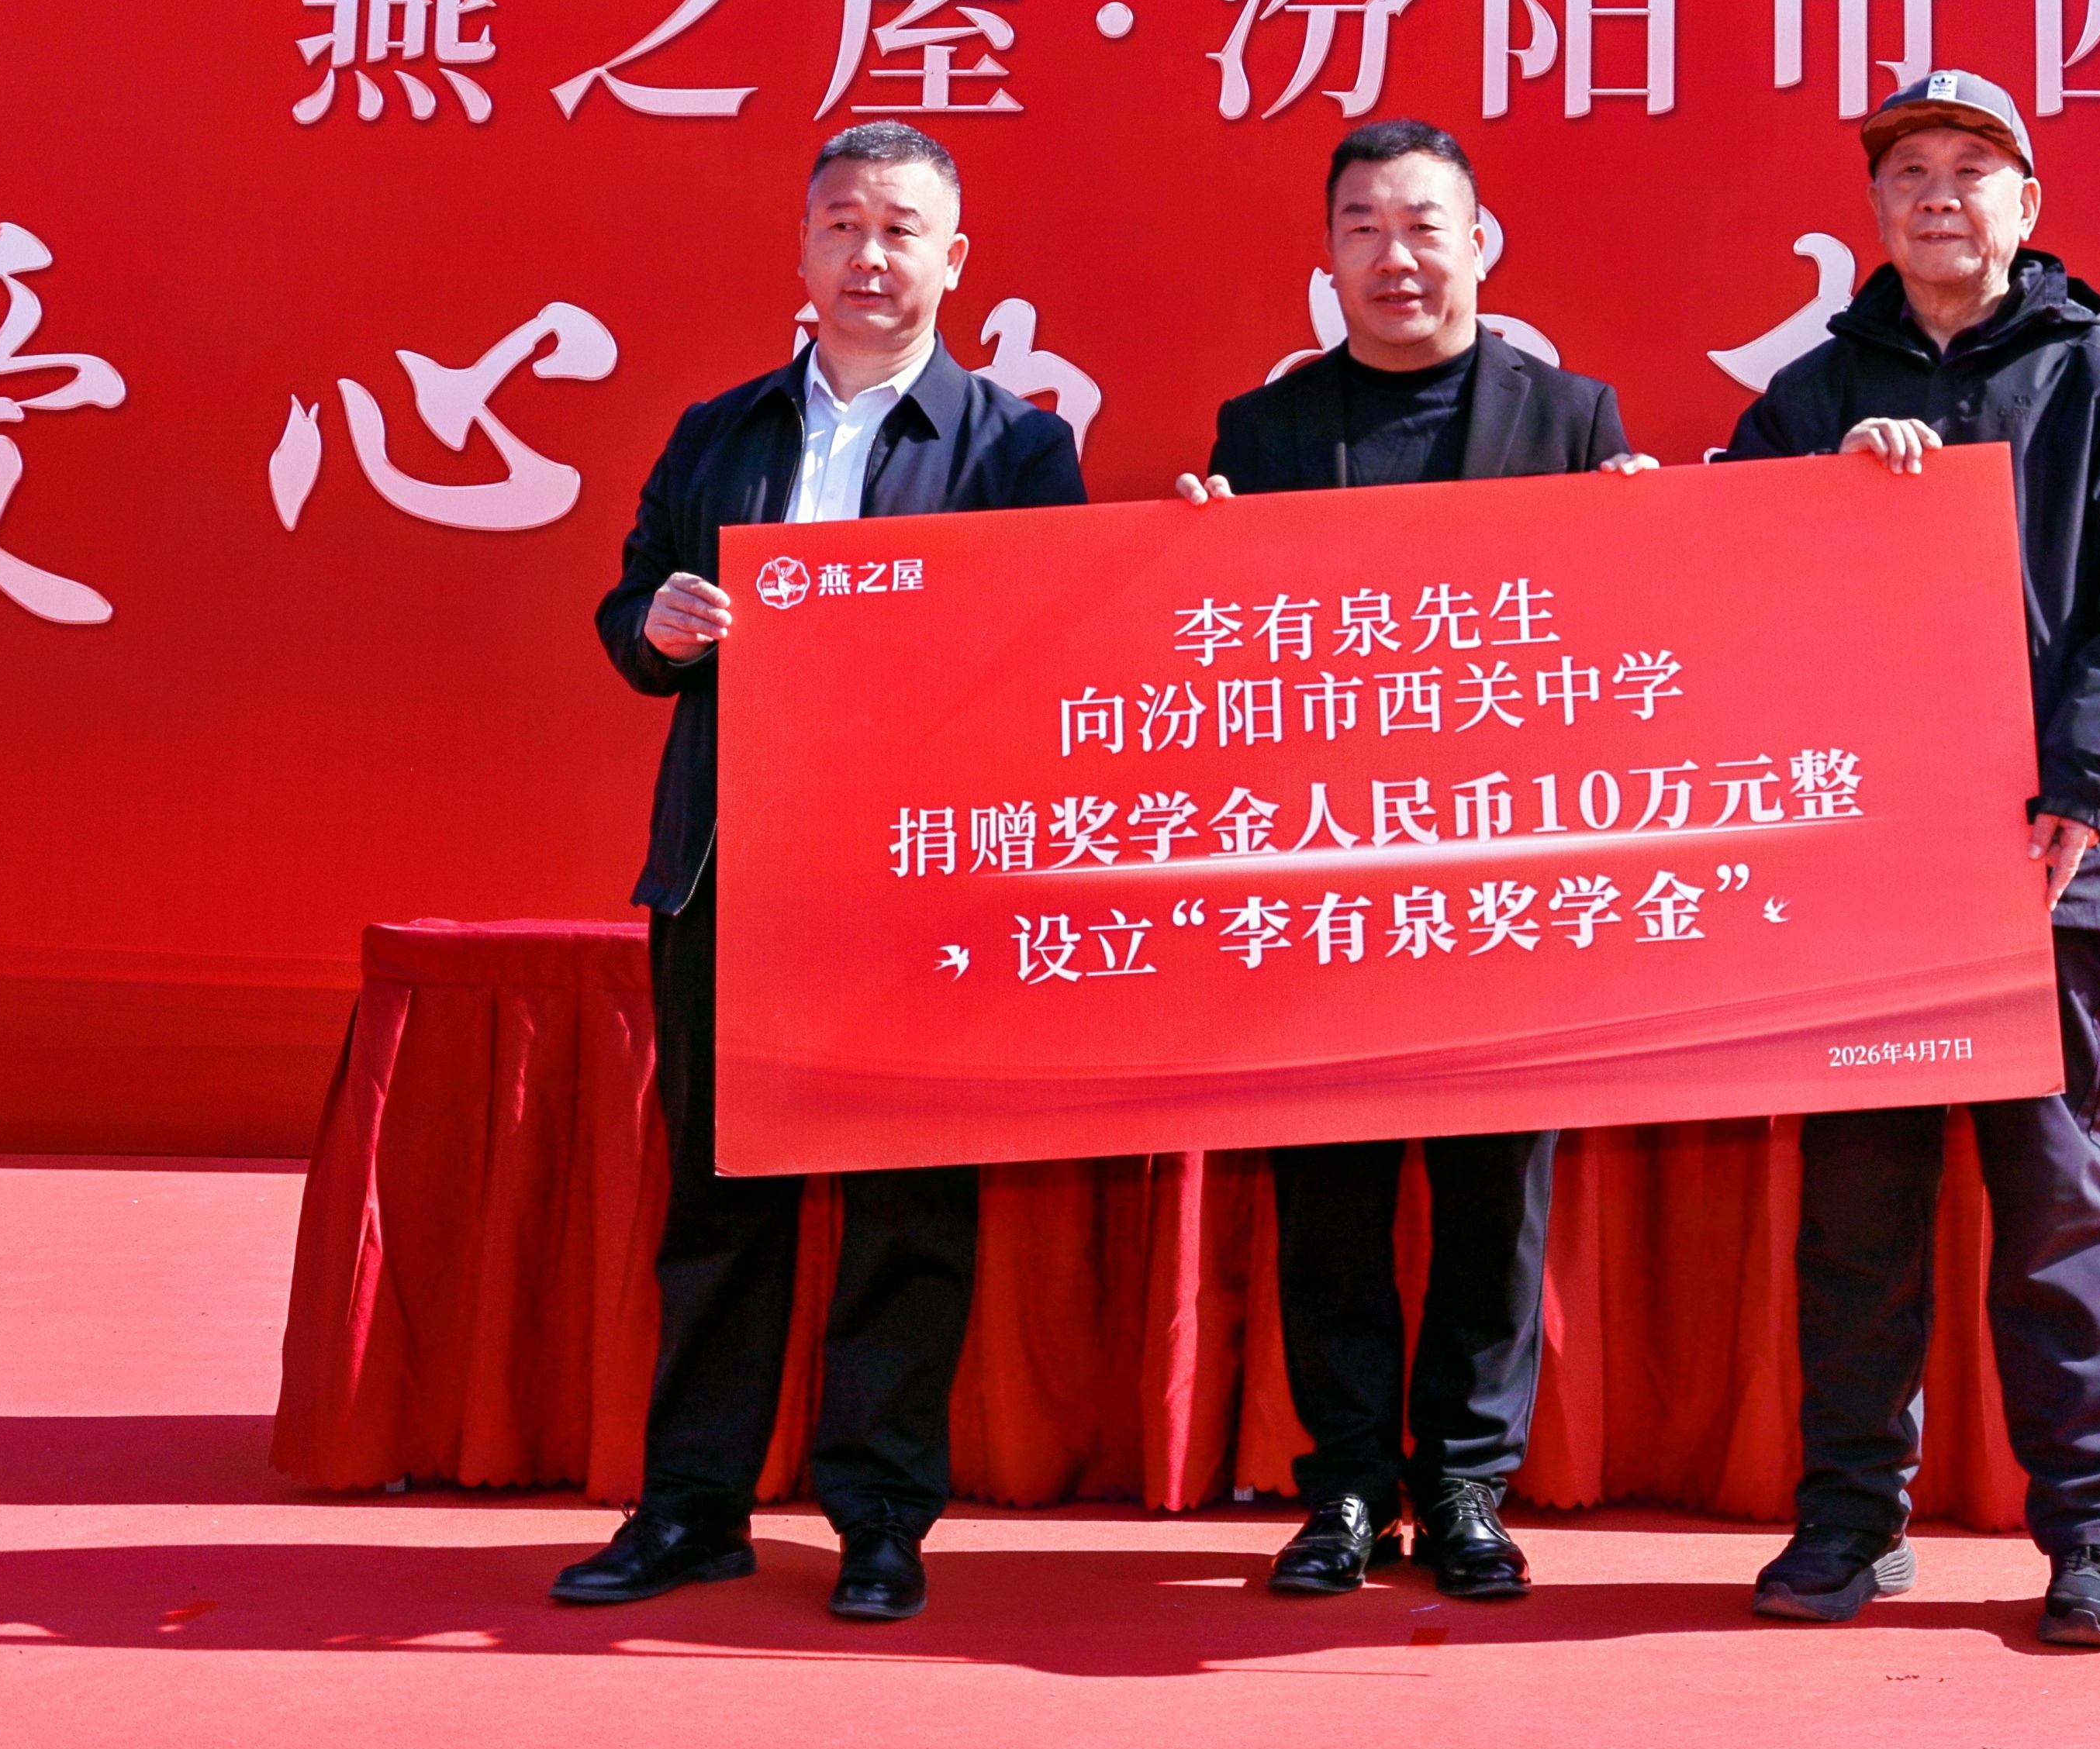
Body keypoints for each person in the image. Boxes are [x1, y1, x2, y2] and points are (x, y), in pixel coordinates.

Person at [551, 119, 1089, 1626]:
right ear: (800, 250)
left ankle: (881, 1519)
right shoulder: (719, 433)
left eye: (901, 229)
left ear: (954, 260)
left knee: (909, 1211)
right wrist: (657, 627)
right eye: (842, 225)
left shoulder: (1017, 449)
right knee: (721, 1207)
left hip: (918, 886)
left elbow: (1051, 661)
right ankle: (692, 1508)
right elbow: (626, 617)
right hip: (731, 873)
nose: (869, 255)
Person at [1722, 70, 2100, 1651]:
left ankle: (2093, 1529)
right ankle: (1849, 1518)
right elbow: (1724, 588)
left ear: (2028, 204)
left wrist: (2084, 785)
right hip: (1864, 873)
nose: (1937, 195)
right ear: (1875, 210)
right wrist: (1825, 496)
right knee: (1857, 1214)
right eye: (1907, 173)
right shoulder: (1809, 398)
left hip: (2044, 867)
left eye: (1969, 169)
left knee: (2057, 1205)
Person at [1176, 117, 1652, 1602]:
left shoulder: (1573, 418)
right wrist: (1184, 562)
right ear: (1327, 255)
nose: (1397, 256)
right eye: (1364, 226)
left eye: (1425, 224)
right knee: (1330, 1200)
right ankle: (1342, 1485)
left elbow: (1624, 644)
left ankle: (1464, 1485)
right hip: (1326, 883)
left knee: (1496, 1202)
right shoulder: (1262, 433)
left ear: (1481, 243)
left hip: (1505, 878)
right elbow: (1216, 672)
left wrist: (1653, 537)